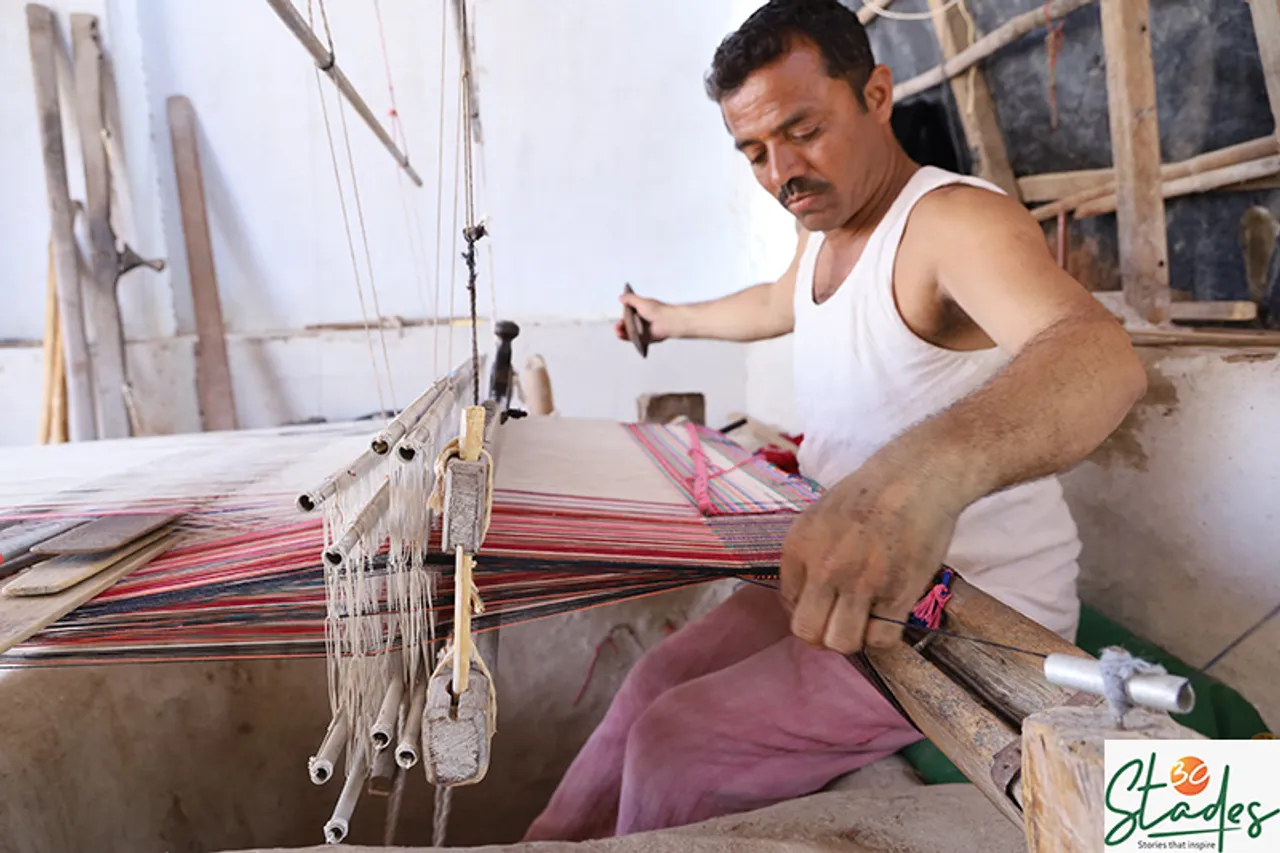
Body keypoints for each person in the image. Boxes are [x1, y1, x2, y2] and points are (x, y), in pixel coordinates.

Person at [523, 0, 1146, 840]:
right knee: (645, 688)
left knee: (676, 742)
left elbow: (1098, 352)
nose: (782, 170)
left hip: (963, 611)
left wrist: (918, 479)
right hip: (842, 564)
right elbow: (777, 304)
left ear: (877, 95)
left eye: (803, 129)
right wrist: (670, 318)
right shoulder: (822, 231)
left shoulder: (953, 221)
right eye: (753, 152)